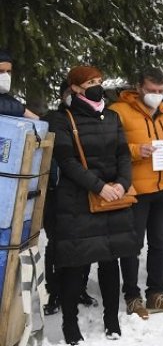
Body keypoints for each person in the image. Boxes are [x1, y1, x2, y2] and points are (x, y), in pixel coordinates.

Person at [48, 66, 138, 344]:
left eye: (99, 81)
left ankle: (111, 320)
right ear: (75, 88)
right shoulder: (62, 119)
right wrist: (100, 187)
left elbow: (123, 153)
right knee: (76, 262)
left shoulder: (111, 116)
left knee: (110, 260)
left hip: (112, 198)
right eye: (90, 82)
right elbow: (67, 161)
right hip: (78, 201)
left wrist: (122, 183)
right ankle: (70, 324)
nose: (97, 86)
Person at [110, 67, 163, 320]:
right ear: (139, 87)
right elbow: (108, 146)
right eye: (151, 91)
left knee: (159, 242)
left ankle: (156, 293)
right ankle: (132, 296)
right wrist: (134, 150)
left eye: (160, 91)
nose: (156, 95)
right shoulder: (119, 112)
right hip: (136, 191)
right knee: (132, 245)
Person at [42, 80, 95, 316]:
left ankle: (79, 288)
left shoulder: (89, 121)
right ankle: (54, 292)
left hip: (83, 192)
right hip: (54, 192)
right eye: (69, 93)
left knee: (85, 243)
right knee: (56, 244)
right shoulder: (52, 118)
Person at [0, 49, 39, 118]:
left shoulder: (8, 99)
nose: (6, 76)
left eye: (8, 71)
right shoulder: (15, 105)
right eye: (1, 71)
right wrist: (22, 110)